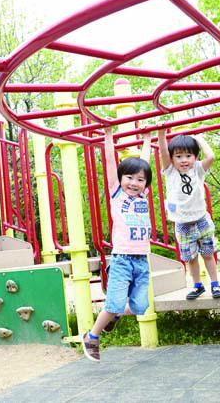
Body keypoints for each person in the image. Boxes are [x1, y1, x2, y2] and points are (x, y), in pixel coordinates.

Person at [82, 128, 153, 362]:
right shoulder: (117, 195)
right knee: (113, 303)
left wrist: (147, 140)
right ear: (121, 180)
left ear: (145, 184)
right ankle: (92, 337)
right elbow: (111, 164)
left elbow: (146, 164)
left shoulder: (143, 197)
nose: (134, 183)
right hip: (122, 259)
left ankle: (113, 316)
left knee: (141, 307)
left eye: (140, 179)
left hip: (142, 261)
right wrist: (109, 135)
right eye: (129, 178)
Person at [158, 130, 220, 300]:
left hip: (201, 220)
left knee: (208, 254)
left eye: (188, 155)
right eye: (178, 156)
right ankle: (197, 285)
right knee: (190, 258)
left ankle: (215, 284)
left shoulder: (197, 169)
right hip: (182, 224)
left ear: (195, 157)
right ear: (172, 159)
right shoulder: (170, 171)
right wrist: (161, 134)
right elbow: (163, 152)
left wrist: (200, 139)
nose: (184, 160)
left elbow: (211, 157)